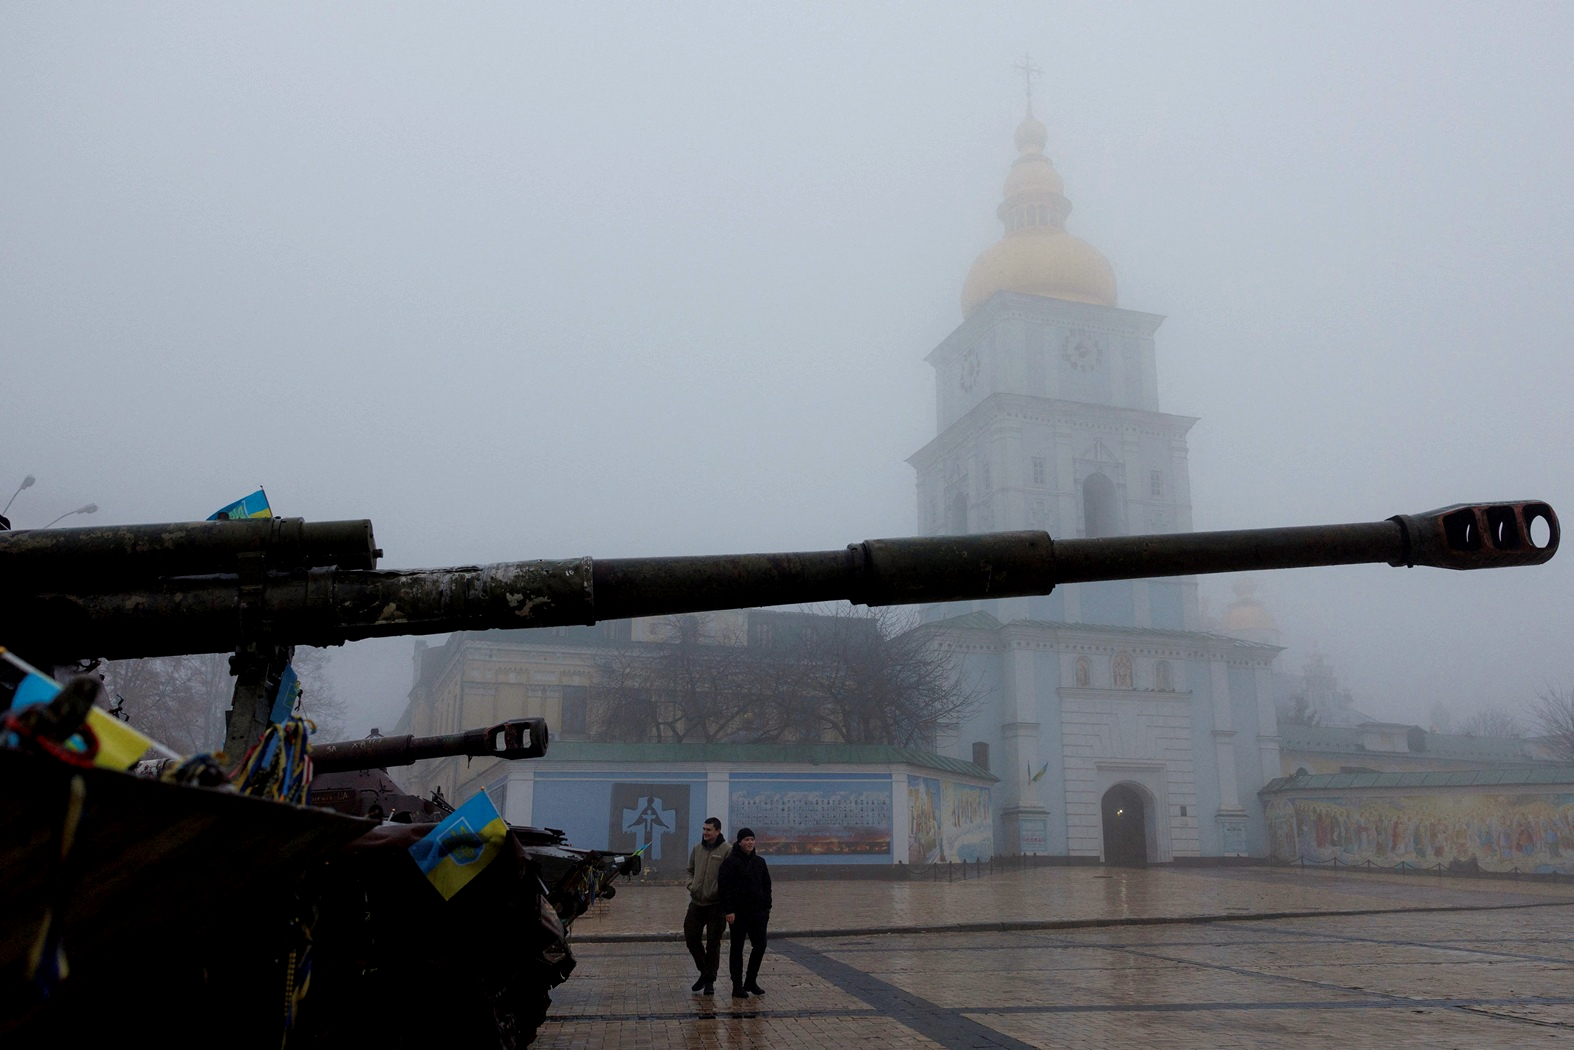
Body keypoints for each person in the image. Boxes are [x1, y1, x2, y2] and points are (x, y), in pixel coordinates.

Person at [717, 826, 771, 999]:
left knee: (760, 945)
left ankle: (751, 980)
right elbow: (724, 888)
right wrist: (729, 910)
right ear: (739, 842)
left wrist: (767, 908)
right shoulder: (730, 863)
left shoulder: (760, 862)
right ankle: (737, 985)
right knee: (737, 948)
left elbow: (767, 886)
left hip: (758, 913)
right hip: (738, 913)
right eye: (746, 839)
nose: (750, 842)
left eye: (752, 839)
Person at [684, 817, 731, 995]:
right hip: (696, 902)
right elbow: (690, 870)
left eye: (709, 830)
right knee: (691, 937)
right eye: (704, 829)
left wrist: (717, 891)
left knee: (713, 943)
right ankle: (705, 972)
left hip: (716, 905)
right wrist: (691, 885)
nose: (705, 832)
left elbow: (729, 876)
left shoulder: (727, 850)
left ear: (717, 831)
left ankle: (709, 980)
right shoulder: (697, 848)